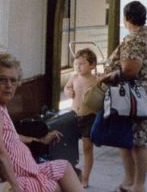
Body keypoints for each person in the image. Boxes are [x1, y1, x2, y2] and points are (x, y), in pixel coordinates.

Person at [0, 53, 83, 192]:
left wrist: (38, 140)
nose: (9, 86)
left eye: (13, 81)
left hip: (24, 173)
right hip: (0, 183)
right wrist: (14, 187)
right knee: (54, 187)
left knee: (64, 167)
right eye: (2, 80)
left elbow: (11, 135)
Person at [100, 1, 147, 192]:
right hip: (139, 96)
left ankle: (137, 184)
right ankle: (129, 181)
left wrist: (110, 75)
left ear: (126, 18)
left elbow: (130, 69)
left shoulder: (134, 40)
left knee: (137, 141)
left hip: (132, 99)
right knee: (127, 140)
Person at [63, 48, 99, 188]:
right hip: (73, 116)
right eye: (76, 63)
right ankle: (71, 175)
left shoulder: (96, 80)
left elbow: (103, 94)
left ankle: (85, 178)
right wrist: (68, 91)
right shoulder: (74, 77)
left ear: (92, 65)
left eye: (82, 64)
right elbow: (67, 88)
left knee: (87, 148)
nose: (78, 66)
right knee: (69, 146)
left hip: (89, 118)